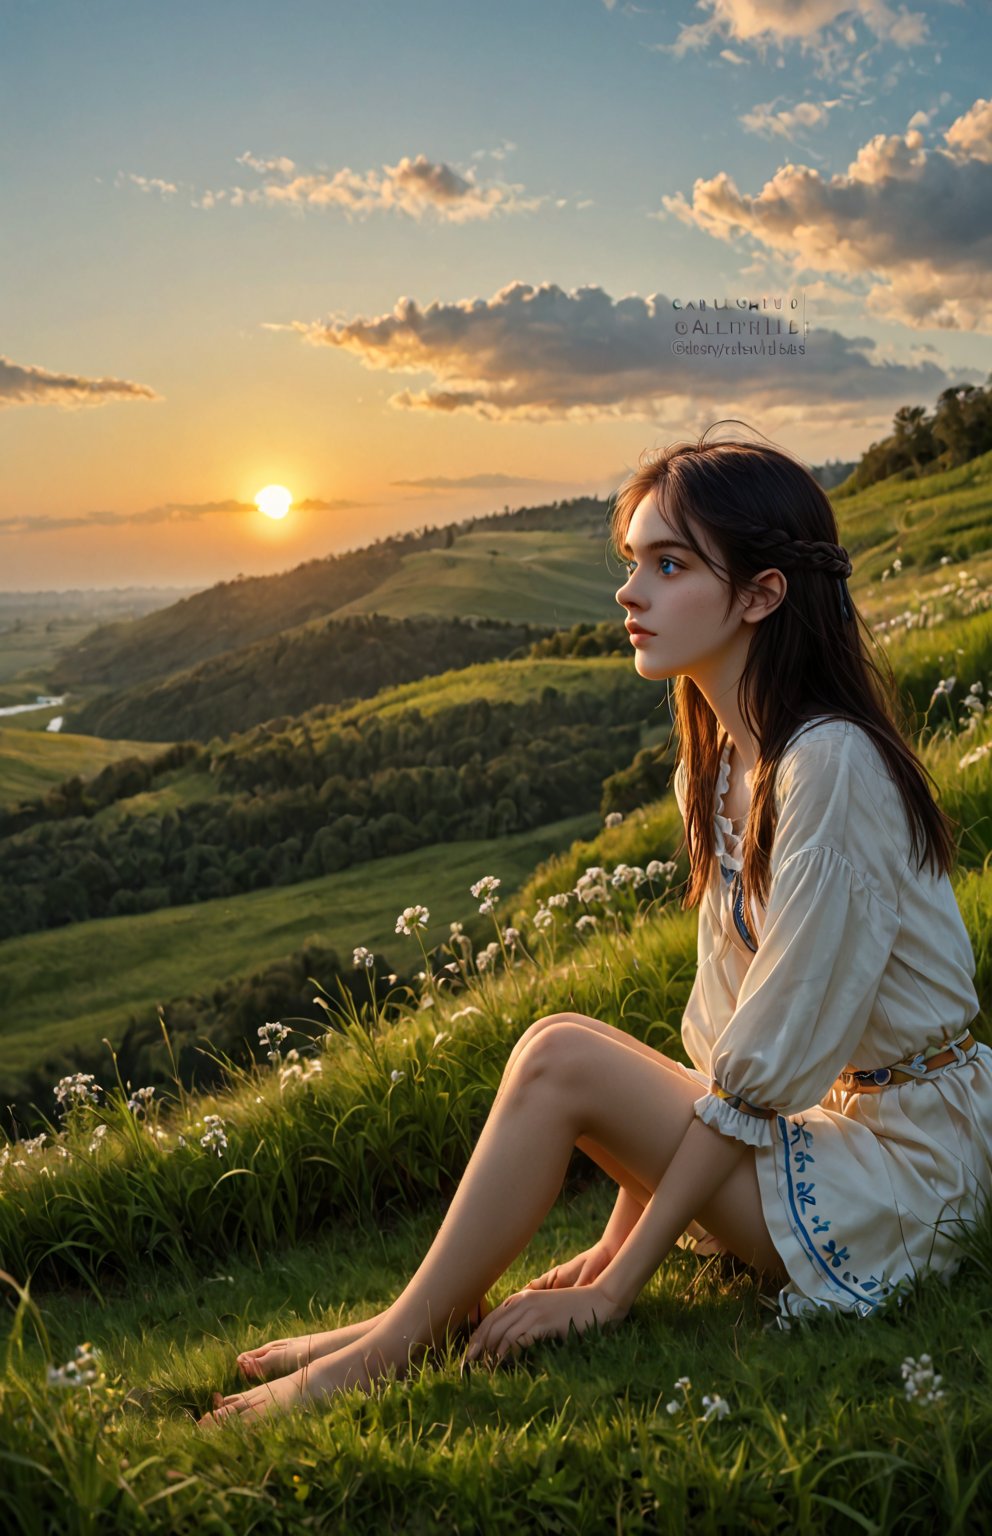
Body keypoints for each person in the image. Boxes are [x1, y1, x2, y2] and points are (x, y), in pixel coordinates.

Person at [200, 423, 992, 1425]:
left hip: (905, 1175)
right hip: (830, 1139)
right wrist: (613, 1244)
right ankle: (406, 1321)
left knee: (561, 1056)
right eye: (632, 564)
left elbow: (761, 1060)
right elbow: (712, 1059)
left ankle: (387, 1350)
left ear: (760, 595)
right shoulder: (724, 768)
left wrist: (615, 1289)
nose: (629, 594)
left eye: (667, 565)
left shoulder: (827, 766)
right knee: (559, 1047)